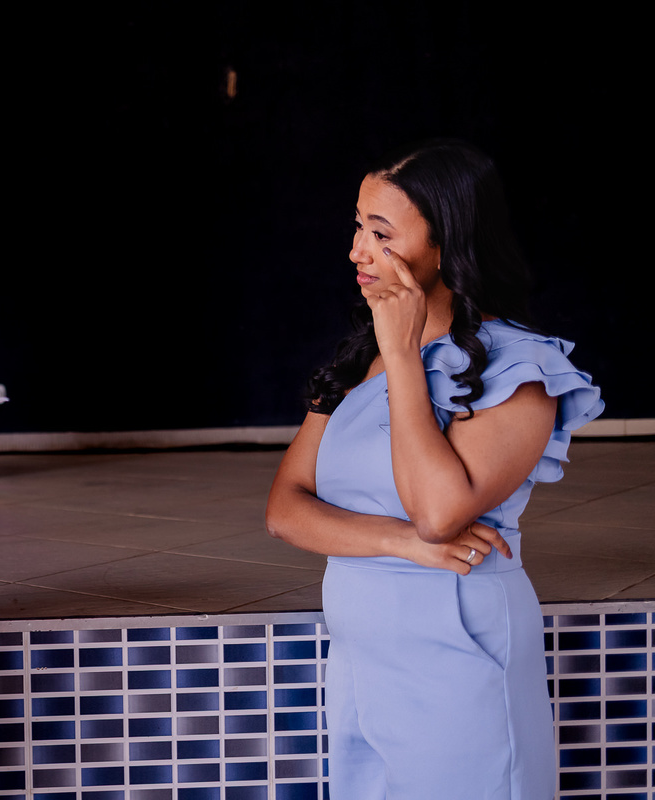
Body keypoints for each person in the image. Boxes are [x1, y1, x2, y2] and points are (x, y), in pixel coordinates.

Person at [265, 139, 603, 799]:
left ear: (446, 244)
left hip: (460, 650)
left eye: (382, 233)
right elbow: (285, 509)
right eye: (358, 227)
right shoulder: (355, 361)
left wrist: (404, 358)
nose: (359, 250)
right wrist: (399, 543)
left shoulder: (520, 369)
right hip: (363, 659)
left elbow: (440, 513)